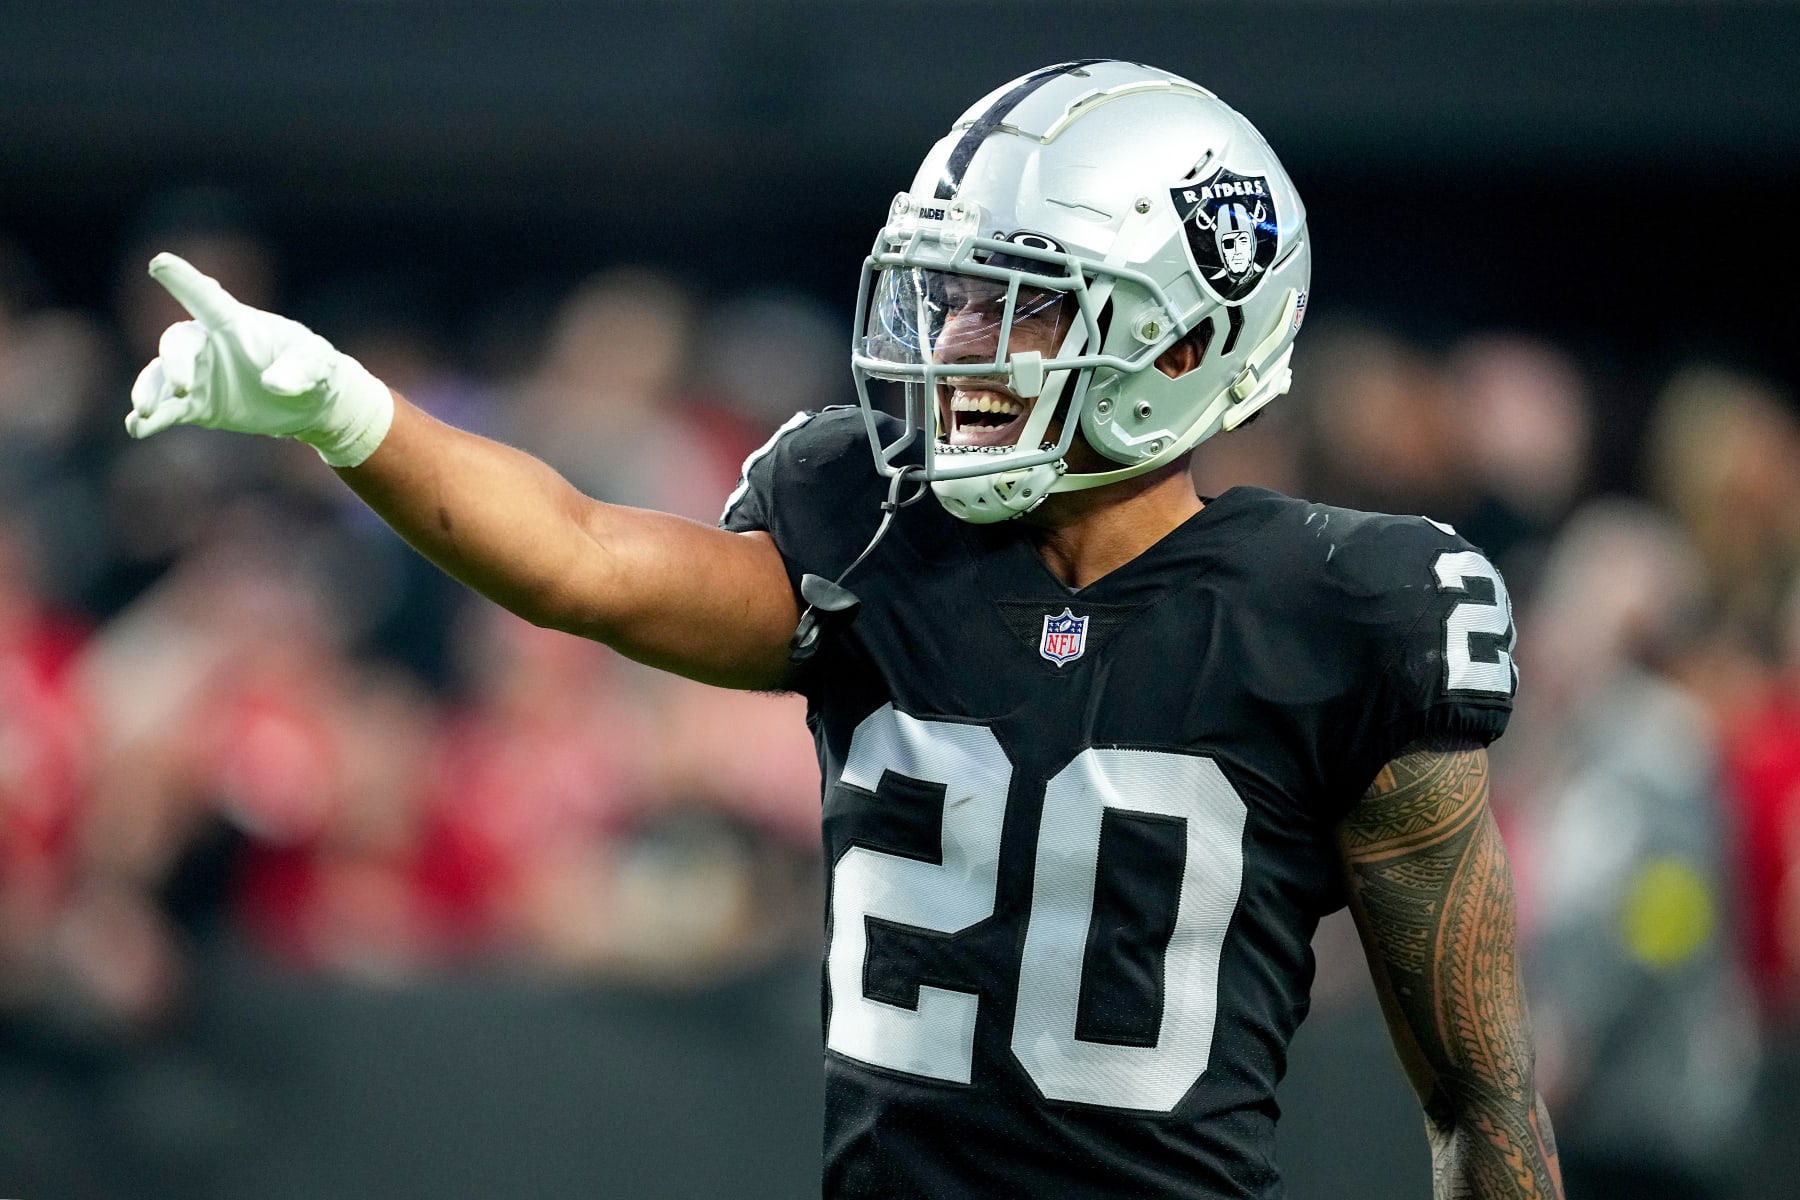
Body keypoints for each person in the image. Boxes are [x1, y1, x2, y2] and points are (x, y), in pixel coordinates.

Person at [122, 59, 1560, 1200]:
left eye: (1024, 308)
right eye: (955, 298)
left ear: (1184, 345)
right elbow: (585, 559)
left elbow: (1478, 1086)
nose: (956, 347)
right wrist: (342, 409)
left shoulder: (1345, 609)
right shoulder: (879, 532)